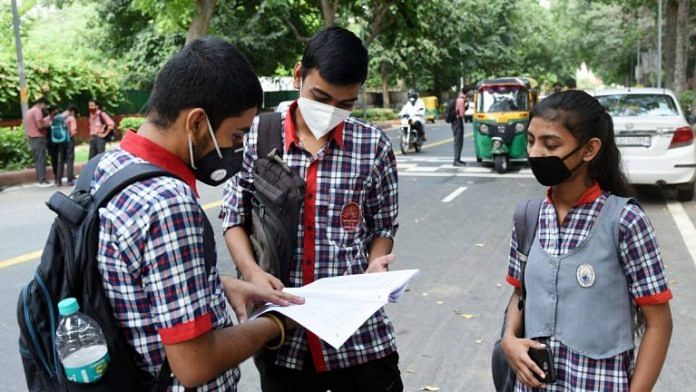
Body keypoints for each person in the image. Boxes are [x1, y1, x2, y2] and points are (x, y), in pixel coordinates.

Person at [87, 37, 304, 390]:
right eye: (236, 134)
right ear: (197, 123)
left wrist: (221, 285)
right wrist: (279, 323)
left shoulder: (107, 167)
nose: (238, 147)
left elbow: (131, 280)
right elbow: (194, 363)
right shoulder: (169, 205)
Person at [222, 26, 402, 392]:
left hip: (359, 340)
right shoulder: (257, 134)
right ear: (298, 75)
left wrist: (375, 265)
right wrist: (251, 272)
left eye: (346, 104)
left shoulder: (373, 146)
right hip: (284, 340)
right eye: (321, 97)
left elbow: (383, 226)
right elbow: (232, 216)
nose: (331, 111)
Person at [501, 91, 673, 391]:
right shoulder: (528, 218)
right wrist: (509, 340)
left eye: (550, 144)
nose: (535, 153)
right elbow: (520, 294)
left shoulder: (625, 221)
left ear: (589, 149)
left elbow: (659, 323)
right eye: (530, 141)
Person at [24, 97, 52, 187]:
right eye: (45, 105)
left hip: (32, 138)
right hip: (39, 138)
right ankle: (42, 180)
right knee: (41, 160)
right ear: (41, 103)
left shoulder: (29, 111)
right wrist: (47, 124)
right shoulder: (37, 111)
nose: (45, 107)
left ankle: (39, 178)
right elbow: (40, 126)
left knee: (37, 160)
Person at [53, 105, 79, 186]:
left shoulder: (59, 117)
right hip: (69, 140)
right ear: (73, 111)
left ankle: (58, 180)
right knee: (69, 160)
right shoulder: (71, 118)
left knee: (61, 160)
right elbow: (73, 131)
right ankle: (70, 179)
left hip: (60, 140)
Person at [452, 88, 467, 167]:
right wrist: (465, 108)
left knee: (458, 140)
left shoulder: (459, 99)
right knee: (458, 140)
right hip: (457, 121)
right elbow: (461, 114)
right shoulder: (461, 100)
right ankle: (456, 160)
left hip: (455, 121)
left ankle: (458, 159)